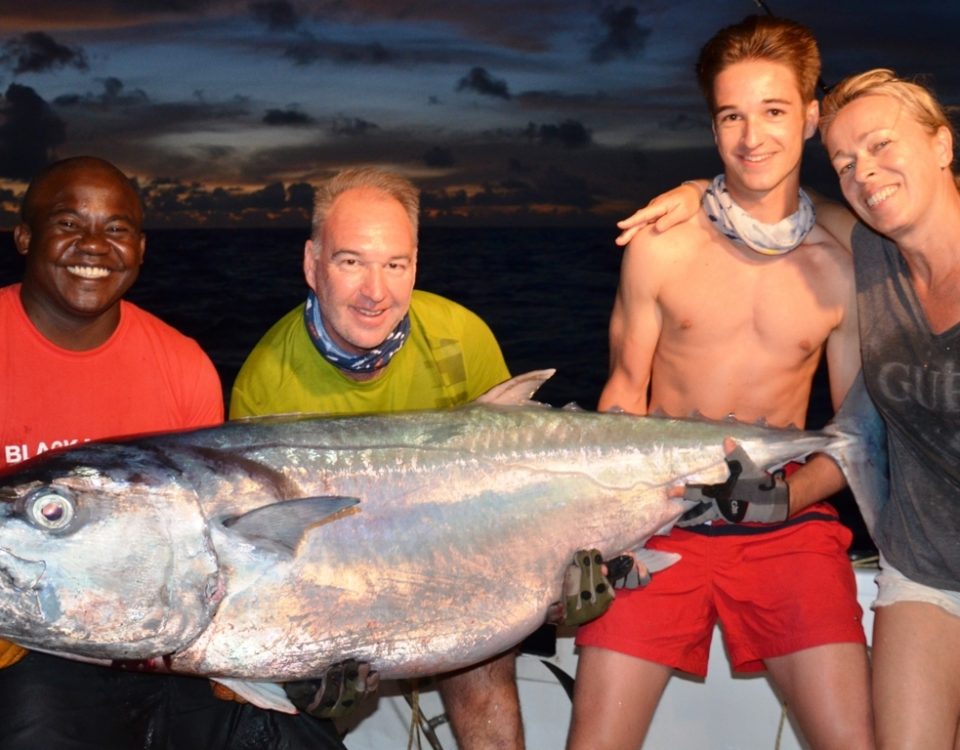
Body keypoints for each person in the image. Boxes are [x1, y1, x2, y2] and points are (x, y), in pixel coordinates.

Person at [566, 16, 873, 749]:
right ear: (712, 127)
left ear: (809, 116)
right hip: (656, 520)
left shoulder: (844, 265)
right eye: (731, 115)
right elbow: (620, 399)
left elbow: (860, 431)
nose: (751, 136)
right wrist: (601, 529)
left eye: (773, 111)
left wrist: (786, 499)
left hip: (787, 527)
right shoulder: (659, 249)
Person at [0, 156, 346, 750]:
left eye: (115, 229)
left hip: (168, 639)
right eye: (68, 223)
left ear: (140, 247)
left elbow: (214, 552)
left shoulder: (182, 366)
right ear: (25, 236)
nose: (93, 245)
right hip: (33, 649)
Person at [229, 166, 524, 749]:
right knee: (306, 697)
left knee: (486, 660)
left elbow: (514, 480)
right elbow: (270, 552)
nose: (376, 292)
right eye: (351, 262)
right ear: (312, 264)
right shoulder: (266, 386)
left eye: (395, 265)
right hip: (339, 578)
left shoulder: (461, 336)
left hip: (458, 553)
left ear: (416, 264)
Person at [815, 68, 960, 750]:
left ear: (942, 145)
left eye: (880, 145)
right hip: (923, 566)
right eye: (845, 161)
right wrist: (702, 191)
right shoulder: (873, 252)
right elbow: (791, 206)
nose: (863, 174)